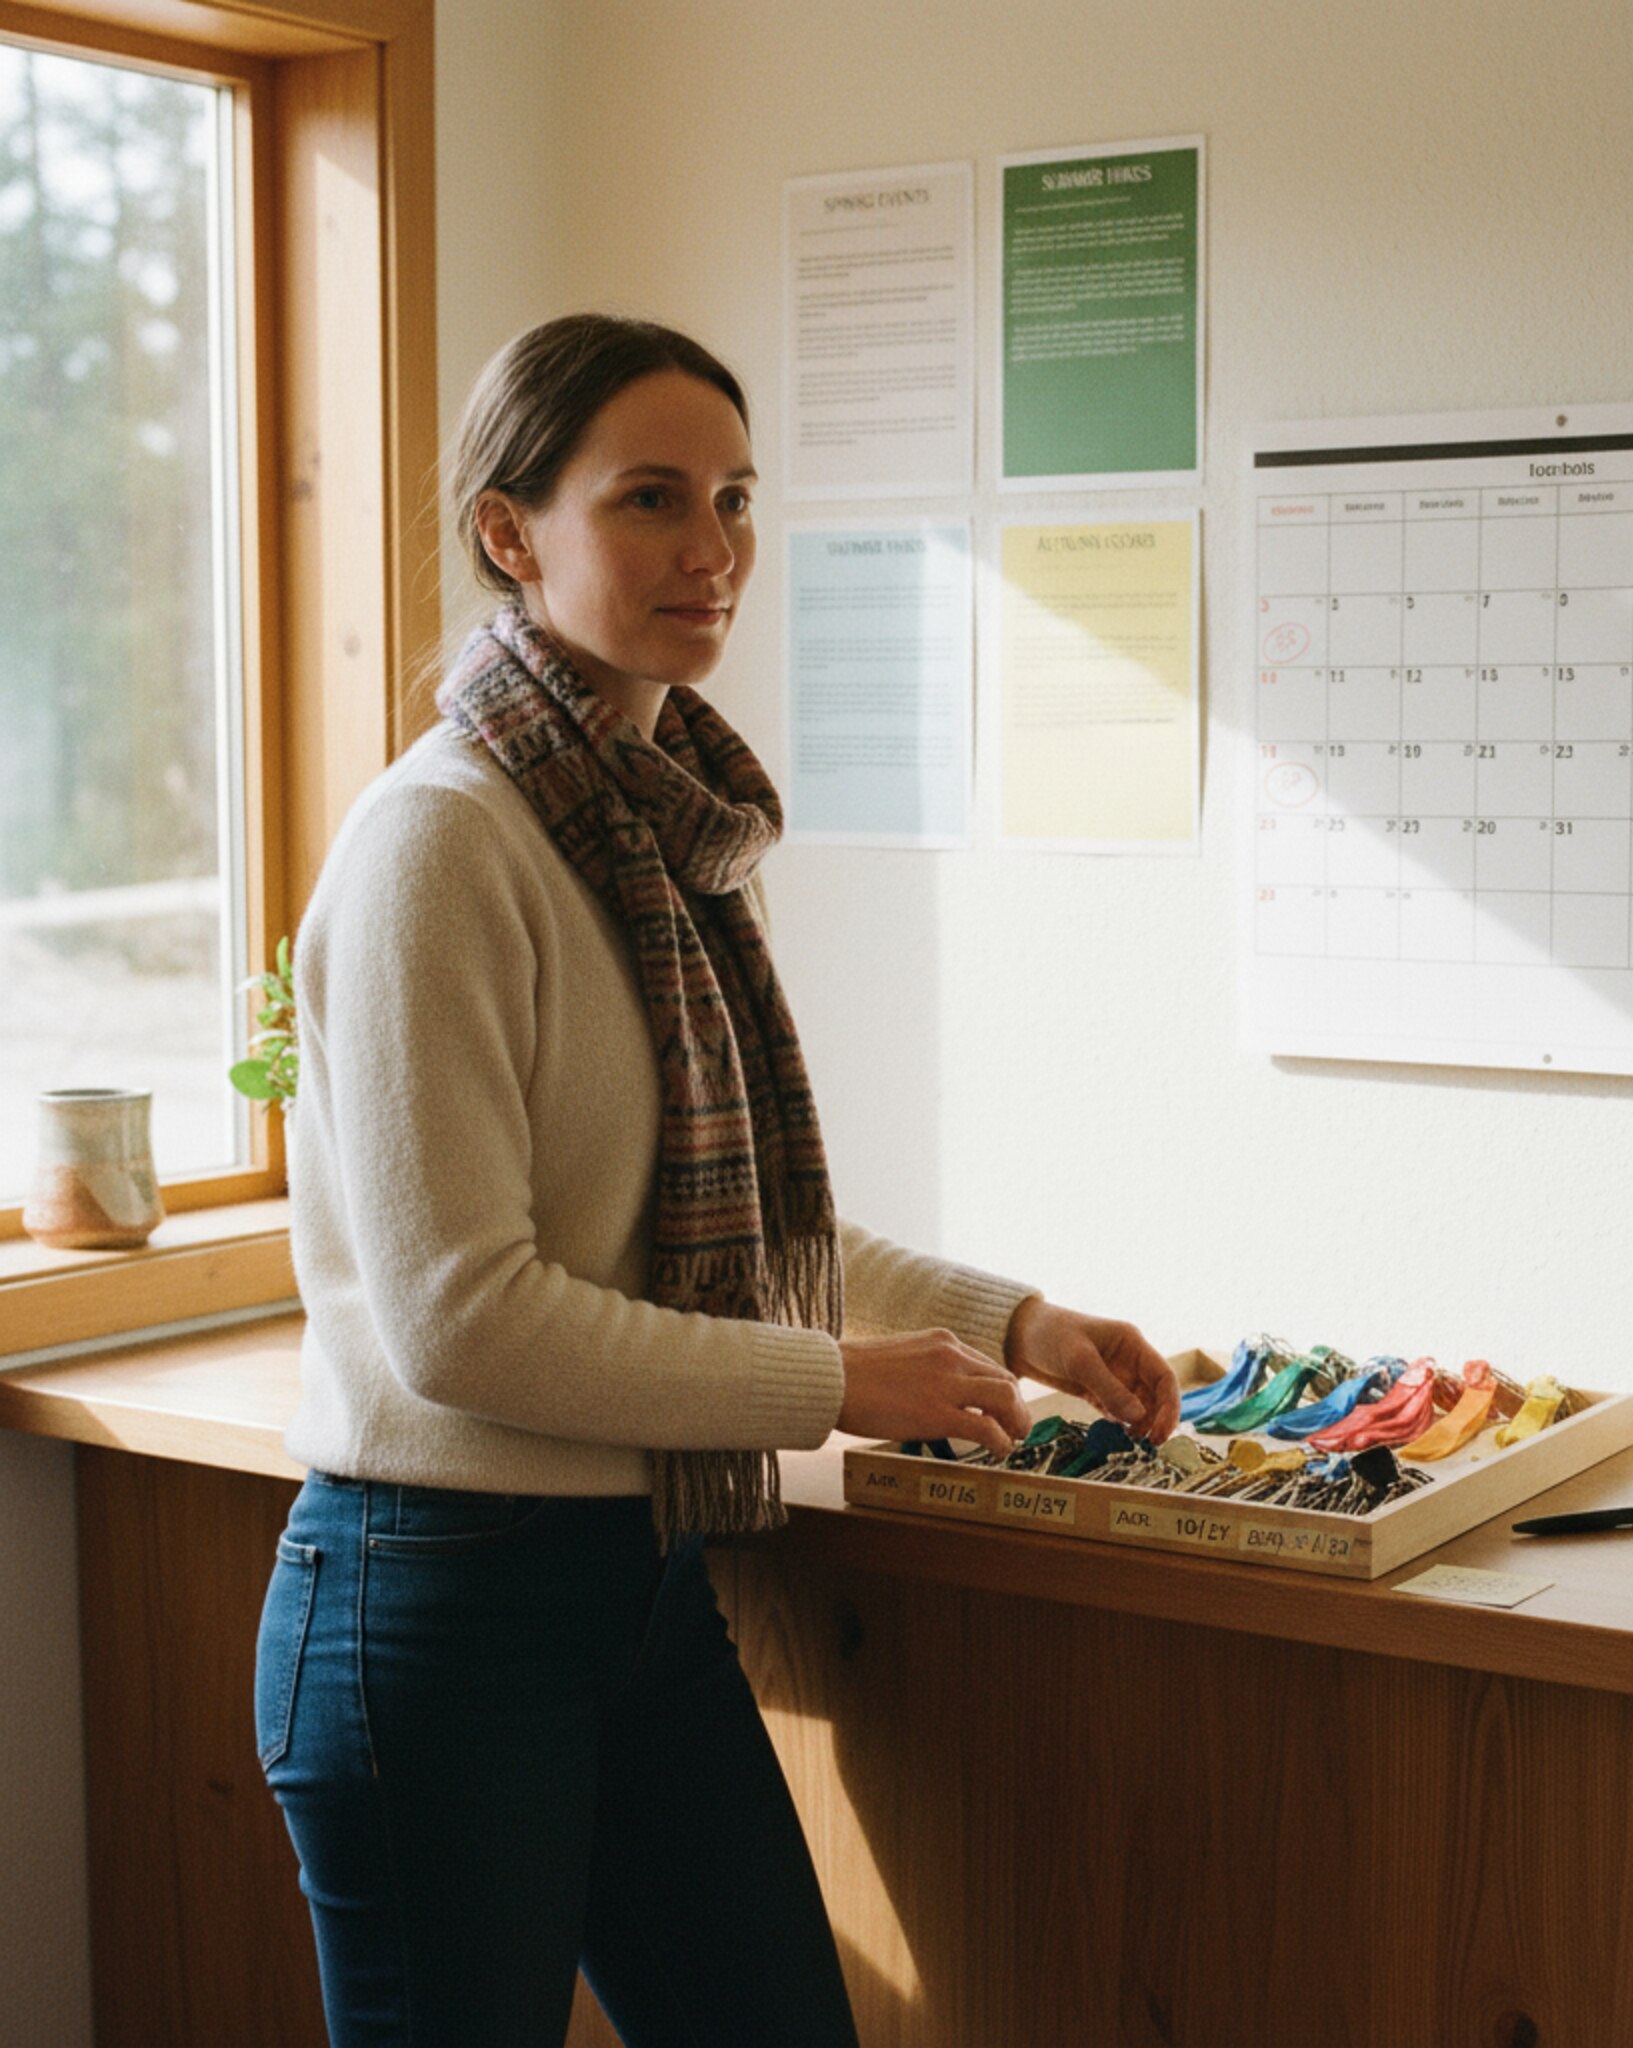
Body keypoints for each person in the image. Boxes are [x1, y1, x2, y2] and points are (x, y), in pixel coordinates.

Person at [253, 312, 1180, 2048]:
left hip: (642, 1588)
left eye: (738, 498)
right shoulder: (440, 841)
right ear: (509, 533)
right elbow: (464, 1322)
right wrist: (837, 1382)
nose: (714, 549)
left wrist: (1018, 1323)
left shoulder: (666, 829)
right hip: (436, 1613)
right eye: (654, 498)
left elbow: (738, 1238)